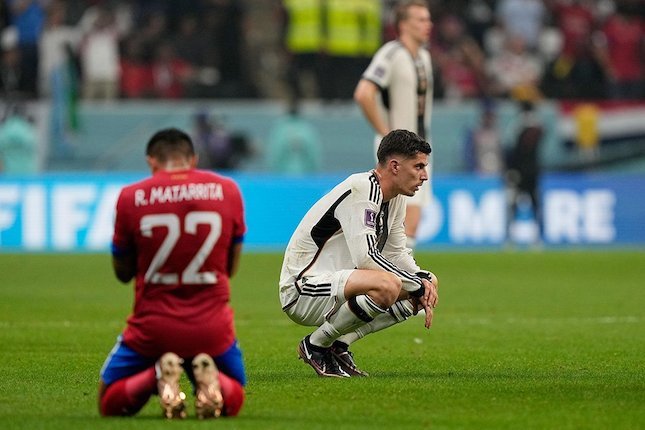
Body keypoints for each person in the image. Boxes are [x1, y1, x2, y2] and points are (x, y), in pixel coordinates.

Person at [98, 128, 246, 419]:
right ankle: (210, 378)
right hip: (212, 328)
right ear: (193, 159)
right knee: (236, 394)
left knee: (108, 401)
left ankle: (155, 376)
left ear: (151, 162)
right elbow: (230, 269)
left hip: (152, 329)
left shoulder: (131, 196)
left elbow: (122, 273)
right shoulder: (228, 190)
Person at [279, 129, 439, 378]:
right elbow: (366, 258)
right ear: (395, 166)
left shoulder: (394, 197)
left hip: (339, 283)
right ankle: (315, 345)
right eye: (418, 166)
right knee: (389, 285)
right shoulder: (362, 189)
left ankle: (338, 345)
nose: (425, 176)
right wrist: (415, 284)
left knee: (426, 280)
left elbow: (397, 252)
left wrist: (422, 282)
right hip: (302, 289)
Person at [354, 0, 434, 250]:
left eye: (428, 19)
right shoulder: (391, 53)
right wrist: (385, 132)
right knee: (401, 219)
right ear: (403, 25)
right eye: (420, 20)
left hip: (420, 148)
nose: (427, 25)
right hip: (400, 152)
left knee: (410, 221)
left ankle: (395, 278)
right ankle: (389, 279)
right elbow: (364, 93)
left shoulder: (423, 57)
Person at [505, 101, 544, 245]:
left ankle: (512, 238)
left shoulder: (518, 128)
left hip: (521, 173)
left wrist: (512, 170)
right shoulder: (537, 128)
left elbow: (513, 151)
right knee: (534, 204)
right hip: (533, 172)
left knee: (516, 204)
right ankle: (536, 238)